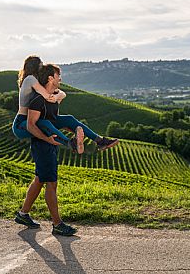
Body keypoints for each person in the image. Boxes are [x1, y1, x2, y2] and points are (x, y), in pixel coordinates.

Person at [15, 64, 78, 236]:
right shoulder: (38, 96)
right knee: (51, 182)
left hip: (46, 142)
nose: (61, 79)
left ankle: (23, 214)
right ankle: (57, 224)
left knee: (40, 179)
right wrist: (46, 138)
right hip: (42, 143)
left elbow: (53, 118)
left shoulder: (48, 94)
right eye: (58, 75)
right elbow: (31, 124)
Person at [12, 55, 119, 153]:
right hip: (21, 123)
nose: (43, 68)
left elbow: (61, 93)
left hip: (38, 119)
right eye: (41, 66)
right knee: (45, 123)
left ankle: (100, 141)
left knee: (69, 119)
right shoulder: (30, 79)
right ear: (35, 67)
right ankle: (71, 144)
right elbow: (47, 96)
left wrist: (57, 96)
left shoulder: (37, 82)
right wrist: (55, 96)